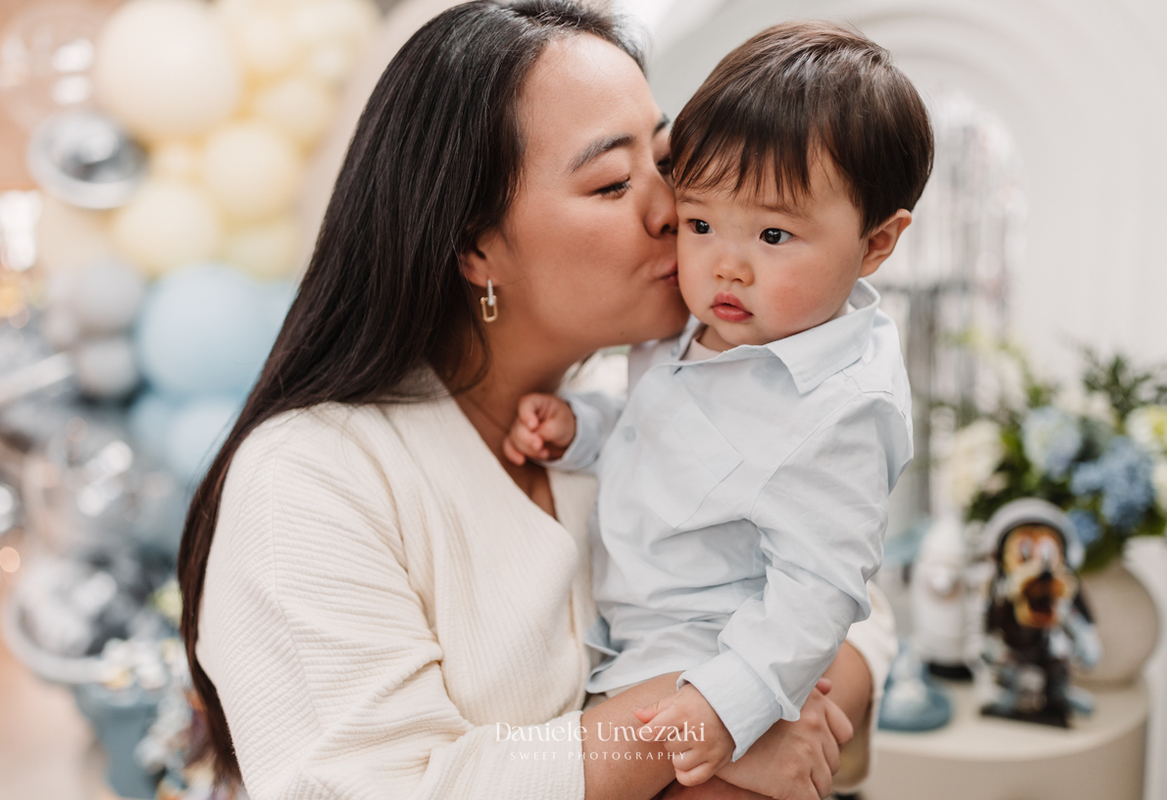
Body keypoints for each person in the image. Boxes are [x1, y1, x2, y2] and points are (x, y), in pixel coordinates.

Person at [176, 3, 895, 799]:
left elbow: (843, 594)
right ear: (476, 245)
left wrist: (769, 714)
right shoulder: (311, 480)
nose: (678, 211)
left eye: (666, 159)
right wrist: (695, 724)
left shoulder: (636, 403)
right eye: (615, 182)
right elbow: (382, 786)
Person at [502, 21, 932, 786]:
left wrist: (729, 704)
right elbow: (664, 431)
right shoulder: (698, 330)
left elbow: (822, 588)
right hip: (636, 653)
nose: (725, 266)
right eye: (700, 222)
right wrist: (585, 429)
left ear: (876, 243)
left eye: (773, 233)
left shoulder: (839, 409)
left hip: (720, 662)